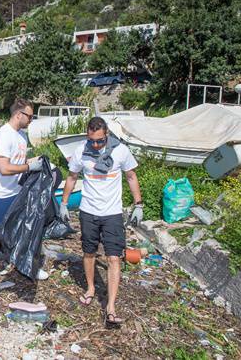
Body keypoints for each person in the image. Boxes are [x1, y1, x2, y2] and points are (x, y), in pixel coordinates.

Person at [60, 116, 143, 327]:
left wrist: (139, 203)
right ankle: (90, 288)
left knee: (114, 258)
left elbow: (131, 177)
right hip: (88, 211)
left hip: (112, 213)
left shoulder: (120, 151)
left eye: (99, 141)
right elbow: (71, 177)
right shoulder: (81, 151)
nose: (96, 145)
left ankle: (111, 306)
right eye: (92, 141)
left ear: (106, 135)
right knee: (89, 252)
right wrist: (64, 202)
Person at [0, 99, 47, 295]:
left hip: (16, 192)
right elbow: (4, 168)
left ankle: (25, 263)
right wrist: (29, 167)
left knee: (21, 229)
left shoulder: (22, 136)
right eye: (29, 116)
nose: (31, 119)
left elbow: (19, 162)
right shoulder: (3, 135)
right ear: (18, 115)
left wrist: (39, 164)